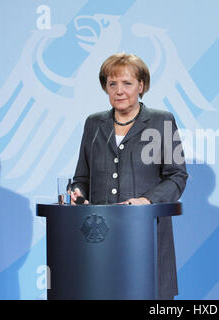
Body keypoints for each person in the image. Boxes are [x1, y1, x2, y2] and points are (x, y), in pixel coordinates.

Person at [70, 52, 188, 299]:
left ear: (141, 86)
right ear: (105, 87)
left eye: (127, 83)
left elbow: (177, 175)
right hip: (100, 240)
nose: (119, 91)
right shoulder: (93, 123)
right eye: (112, 84)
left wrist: (147, 200)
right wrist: (77, 192)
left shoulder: (161, 121)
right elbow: (82, 177)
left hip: (146, 234)